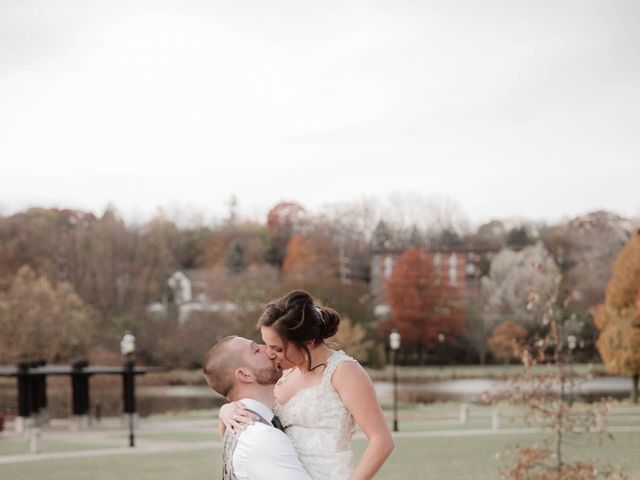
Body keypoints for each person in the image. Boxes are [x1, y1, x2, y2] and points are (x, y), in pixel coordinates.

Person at [220, 290, 394, 480]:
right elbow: (250, 422)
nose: (269, 353)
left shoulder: (343, 372)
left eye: (277, 348)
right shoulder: (282, 373)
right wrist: (227, 411)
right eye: (266, 345)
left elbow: (382, 440)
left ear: (308, 342)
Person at [202, 335, 312, 480]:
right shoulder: (263, 437)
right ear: (245, 375)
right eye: (256, 350)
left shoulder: (245, 425)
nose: (268, 349)